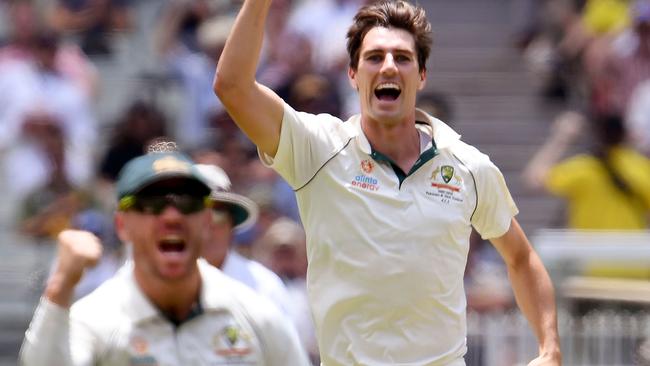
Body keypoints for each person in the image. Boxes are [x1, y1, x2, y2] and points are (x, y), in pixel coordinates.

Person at [214, 0, 562, 365]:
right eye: (374, 57)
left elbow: (521, 258)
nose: (389, 67)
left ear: (422, 75)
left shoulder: (469, 167)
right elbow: (233, 86)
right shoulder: (317, 148)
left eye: (403, 57)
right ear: (352, 73)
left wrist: (550, 348)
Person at [19, 141, 310, 365]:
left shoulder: (256, 312)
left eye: (188, 203)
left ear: (206, 220)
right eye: (151, 204)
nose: (172, 217)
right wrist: (60, 288)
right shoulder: (98, 319)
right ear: (122, 224)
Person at [523, 110, 650, 230]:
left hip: (589, 250)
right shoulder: (641, 167)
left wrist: (562, 137)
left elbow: (533, 179)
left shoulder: (584, 168)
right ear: (624, 134)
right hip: (632, 250)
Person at [196, 163, 294, 316]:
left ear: (232, 222)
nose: (208, 227)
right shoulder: (158, 287)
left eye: (217, 214)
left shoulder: (265, 286)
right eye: (197, 214)